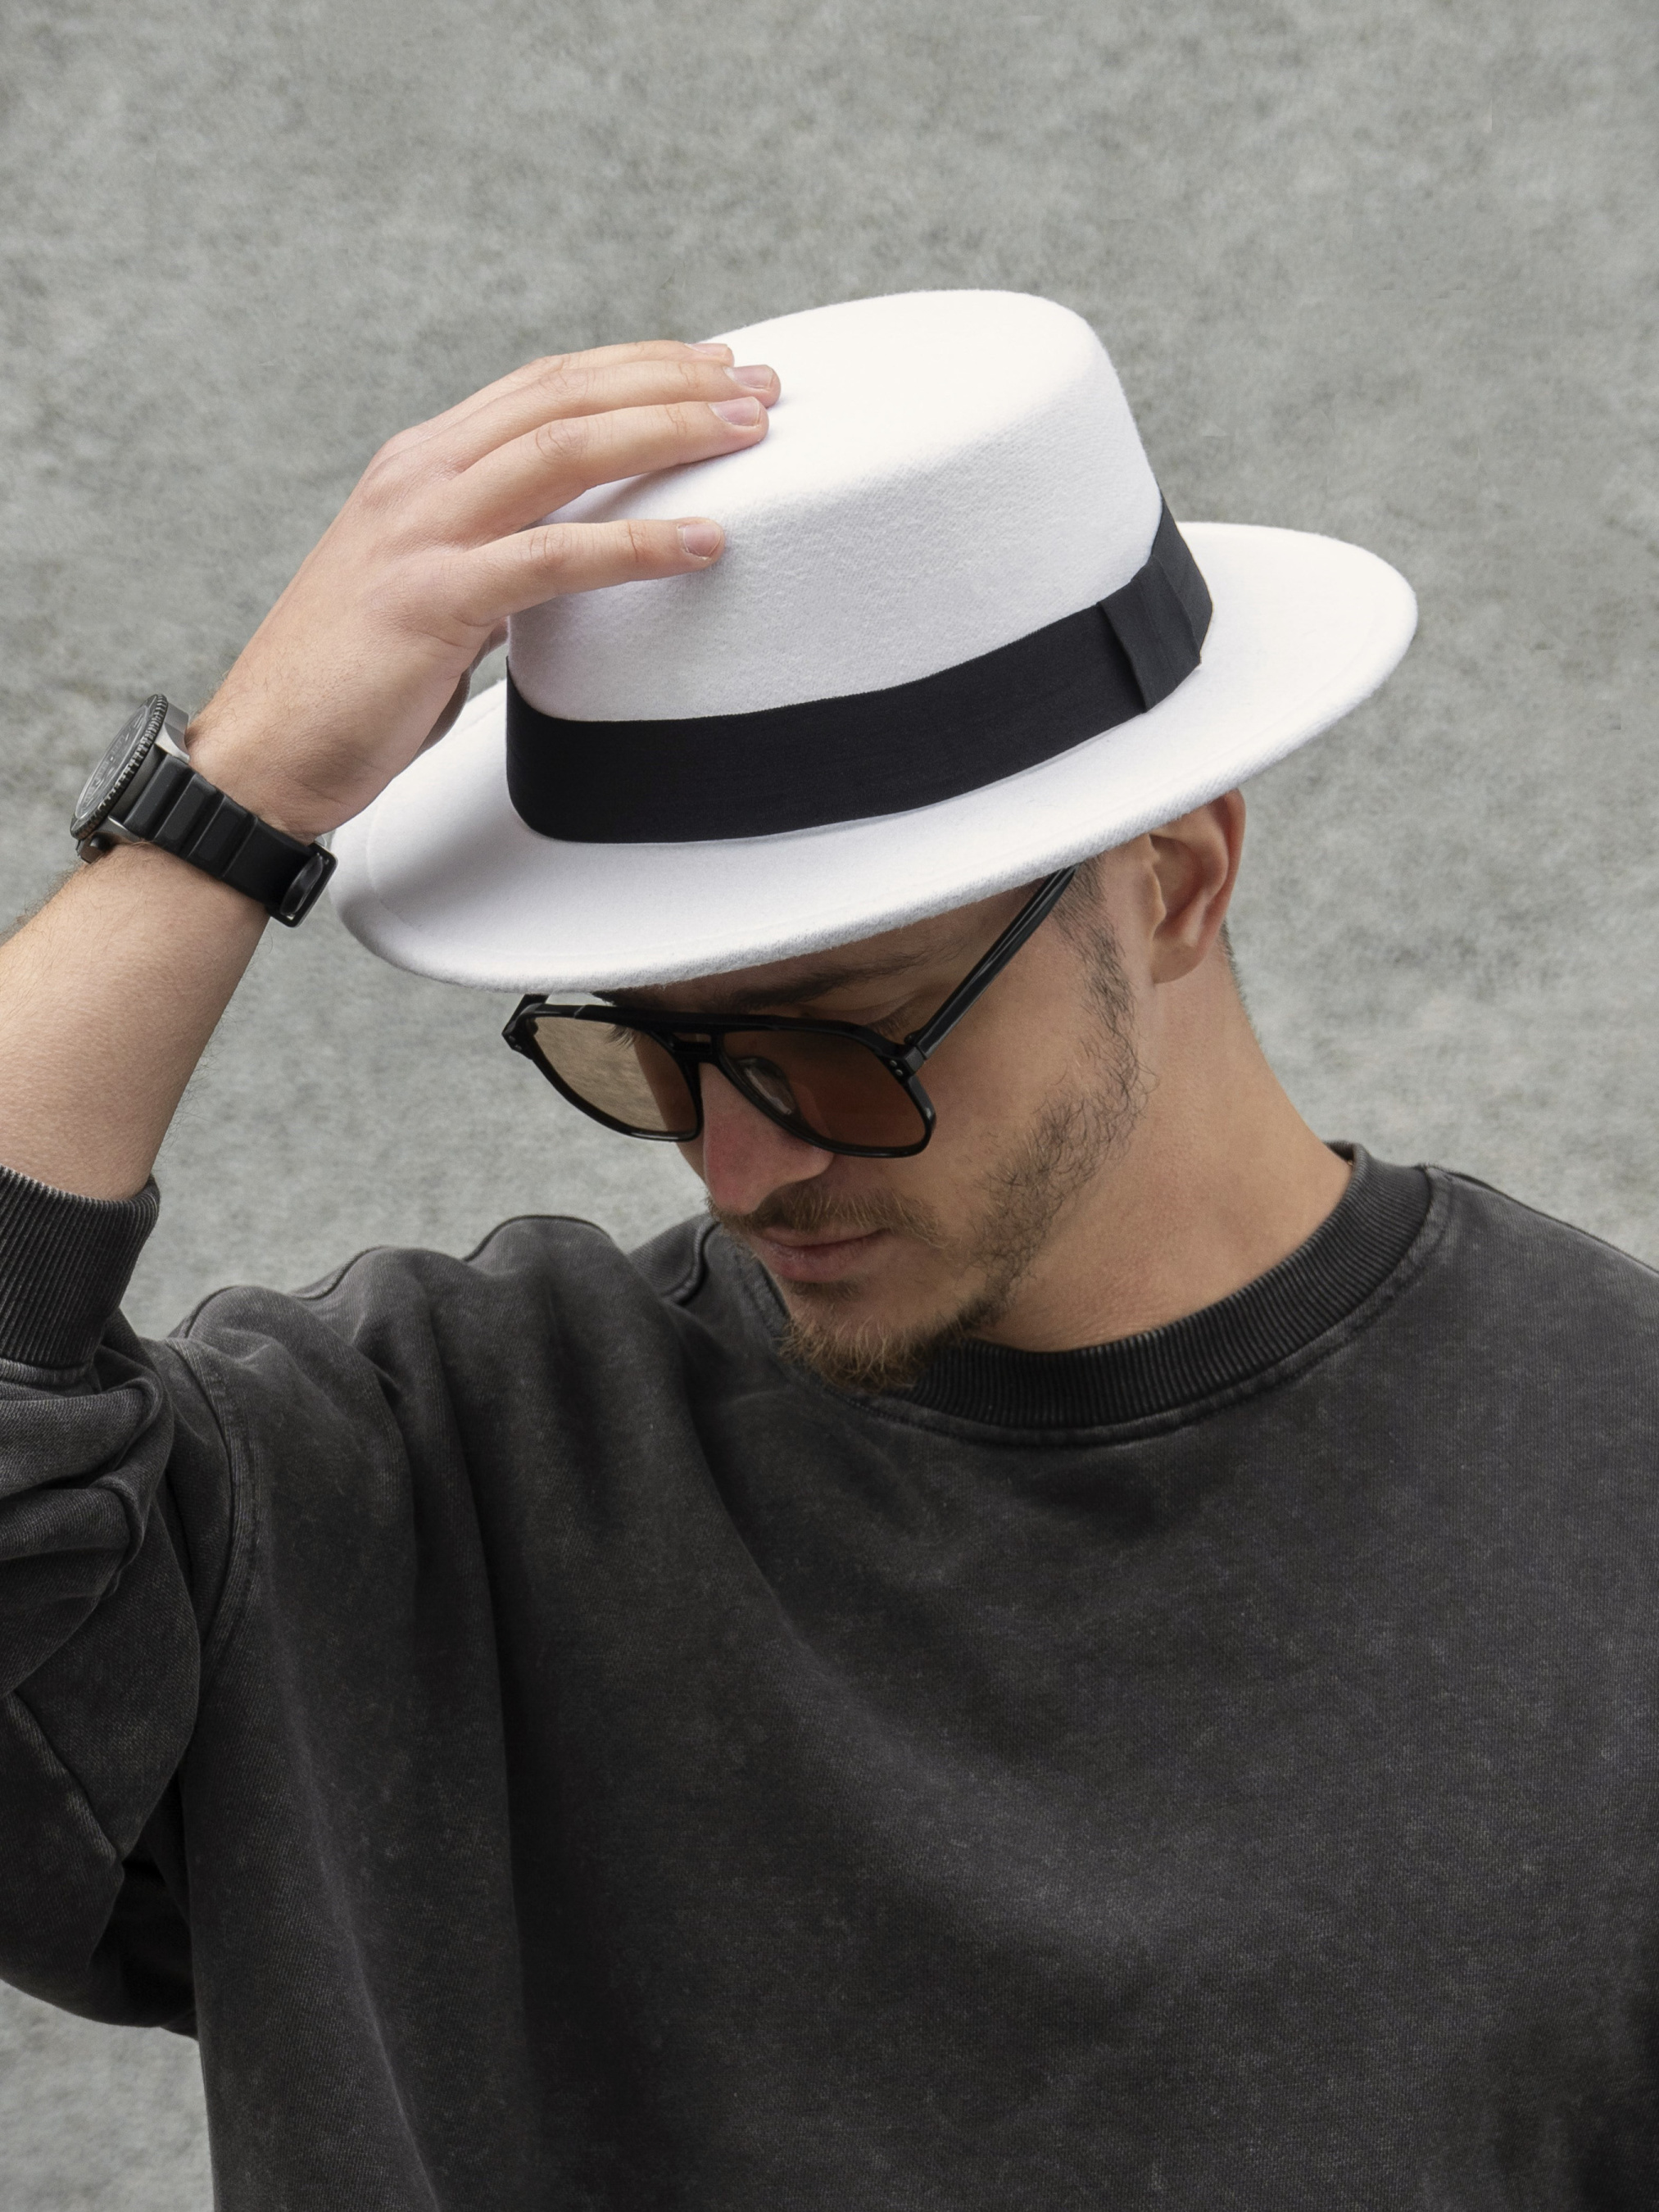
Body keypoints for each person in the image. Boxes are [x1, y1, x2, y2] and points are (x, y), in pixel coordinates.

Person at [1, 288, 1655, 2210]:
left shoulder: (1606, 1502)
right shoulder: (425, 1494)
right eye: (657, 1048)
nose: (738, 1160)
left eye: (839, 1039)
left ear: (1175, 879)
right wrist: (229, 805)